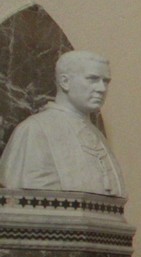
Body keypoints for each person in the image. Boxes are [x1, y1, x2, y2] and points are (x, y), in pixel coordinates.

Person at [0, 50, 126, 196]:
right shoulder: (34, 130)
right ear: (65, 82)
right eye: (92, 79)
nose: (102, 89)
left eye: (106, 81)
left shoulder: (98, 136)